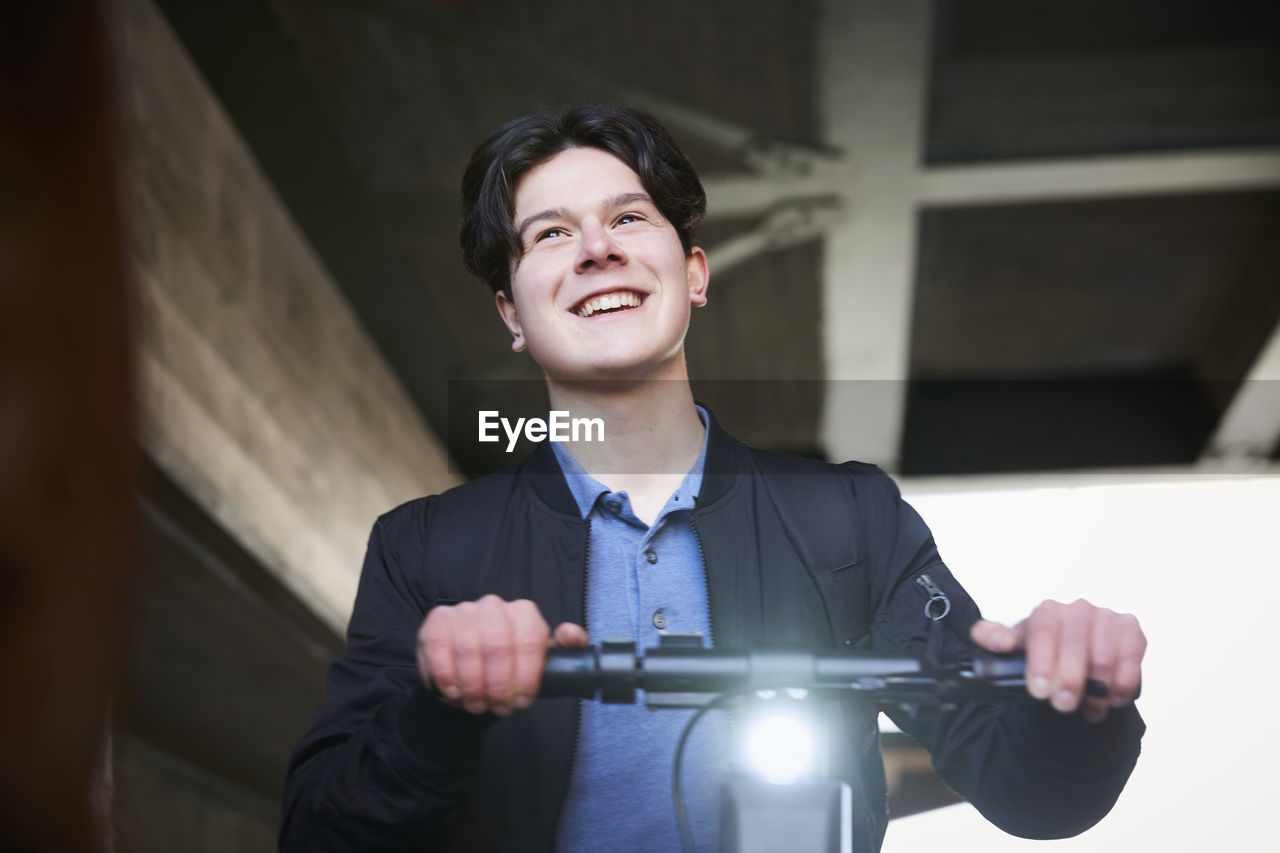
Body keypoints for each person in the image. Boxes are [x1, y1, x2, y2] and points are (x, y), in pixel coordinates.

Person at [280, 104, 1145, 853]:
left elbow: (1034, 791)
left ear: (693, 275)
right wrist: (438, 712)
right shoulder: (425, 545)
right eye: (549, 233)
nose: (594, 250)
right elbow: (320, 835)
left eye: (629, 218)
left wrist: (1075, 700)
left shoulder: (849, 519)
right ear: (511, 311)